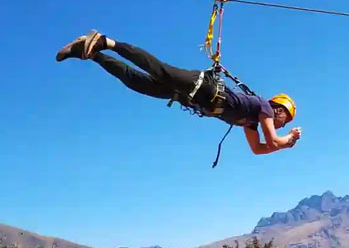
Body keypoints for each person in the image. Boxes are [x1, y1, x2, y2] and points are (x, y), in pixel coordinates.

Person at [56, 30, 301, 155]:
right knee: (159, 69)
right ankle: (105, 42)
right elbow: (272, 141)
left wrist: (283, 144)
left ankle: (89, 53)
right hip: (200, 86)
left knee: (135, 82)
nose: (282, 124)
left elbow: (258, 149)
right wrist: (288, 139)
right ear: (278, 110)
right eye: (285, 120)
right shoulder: (264, 107)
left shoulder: (250, 123)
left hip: (188, 96)